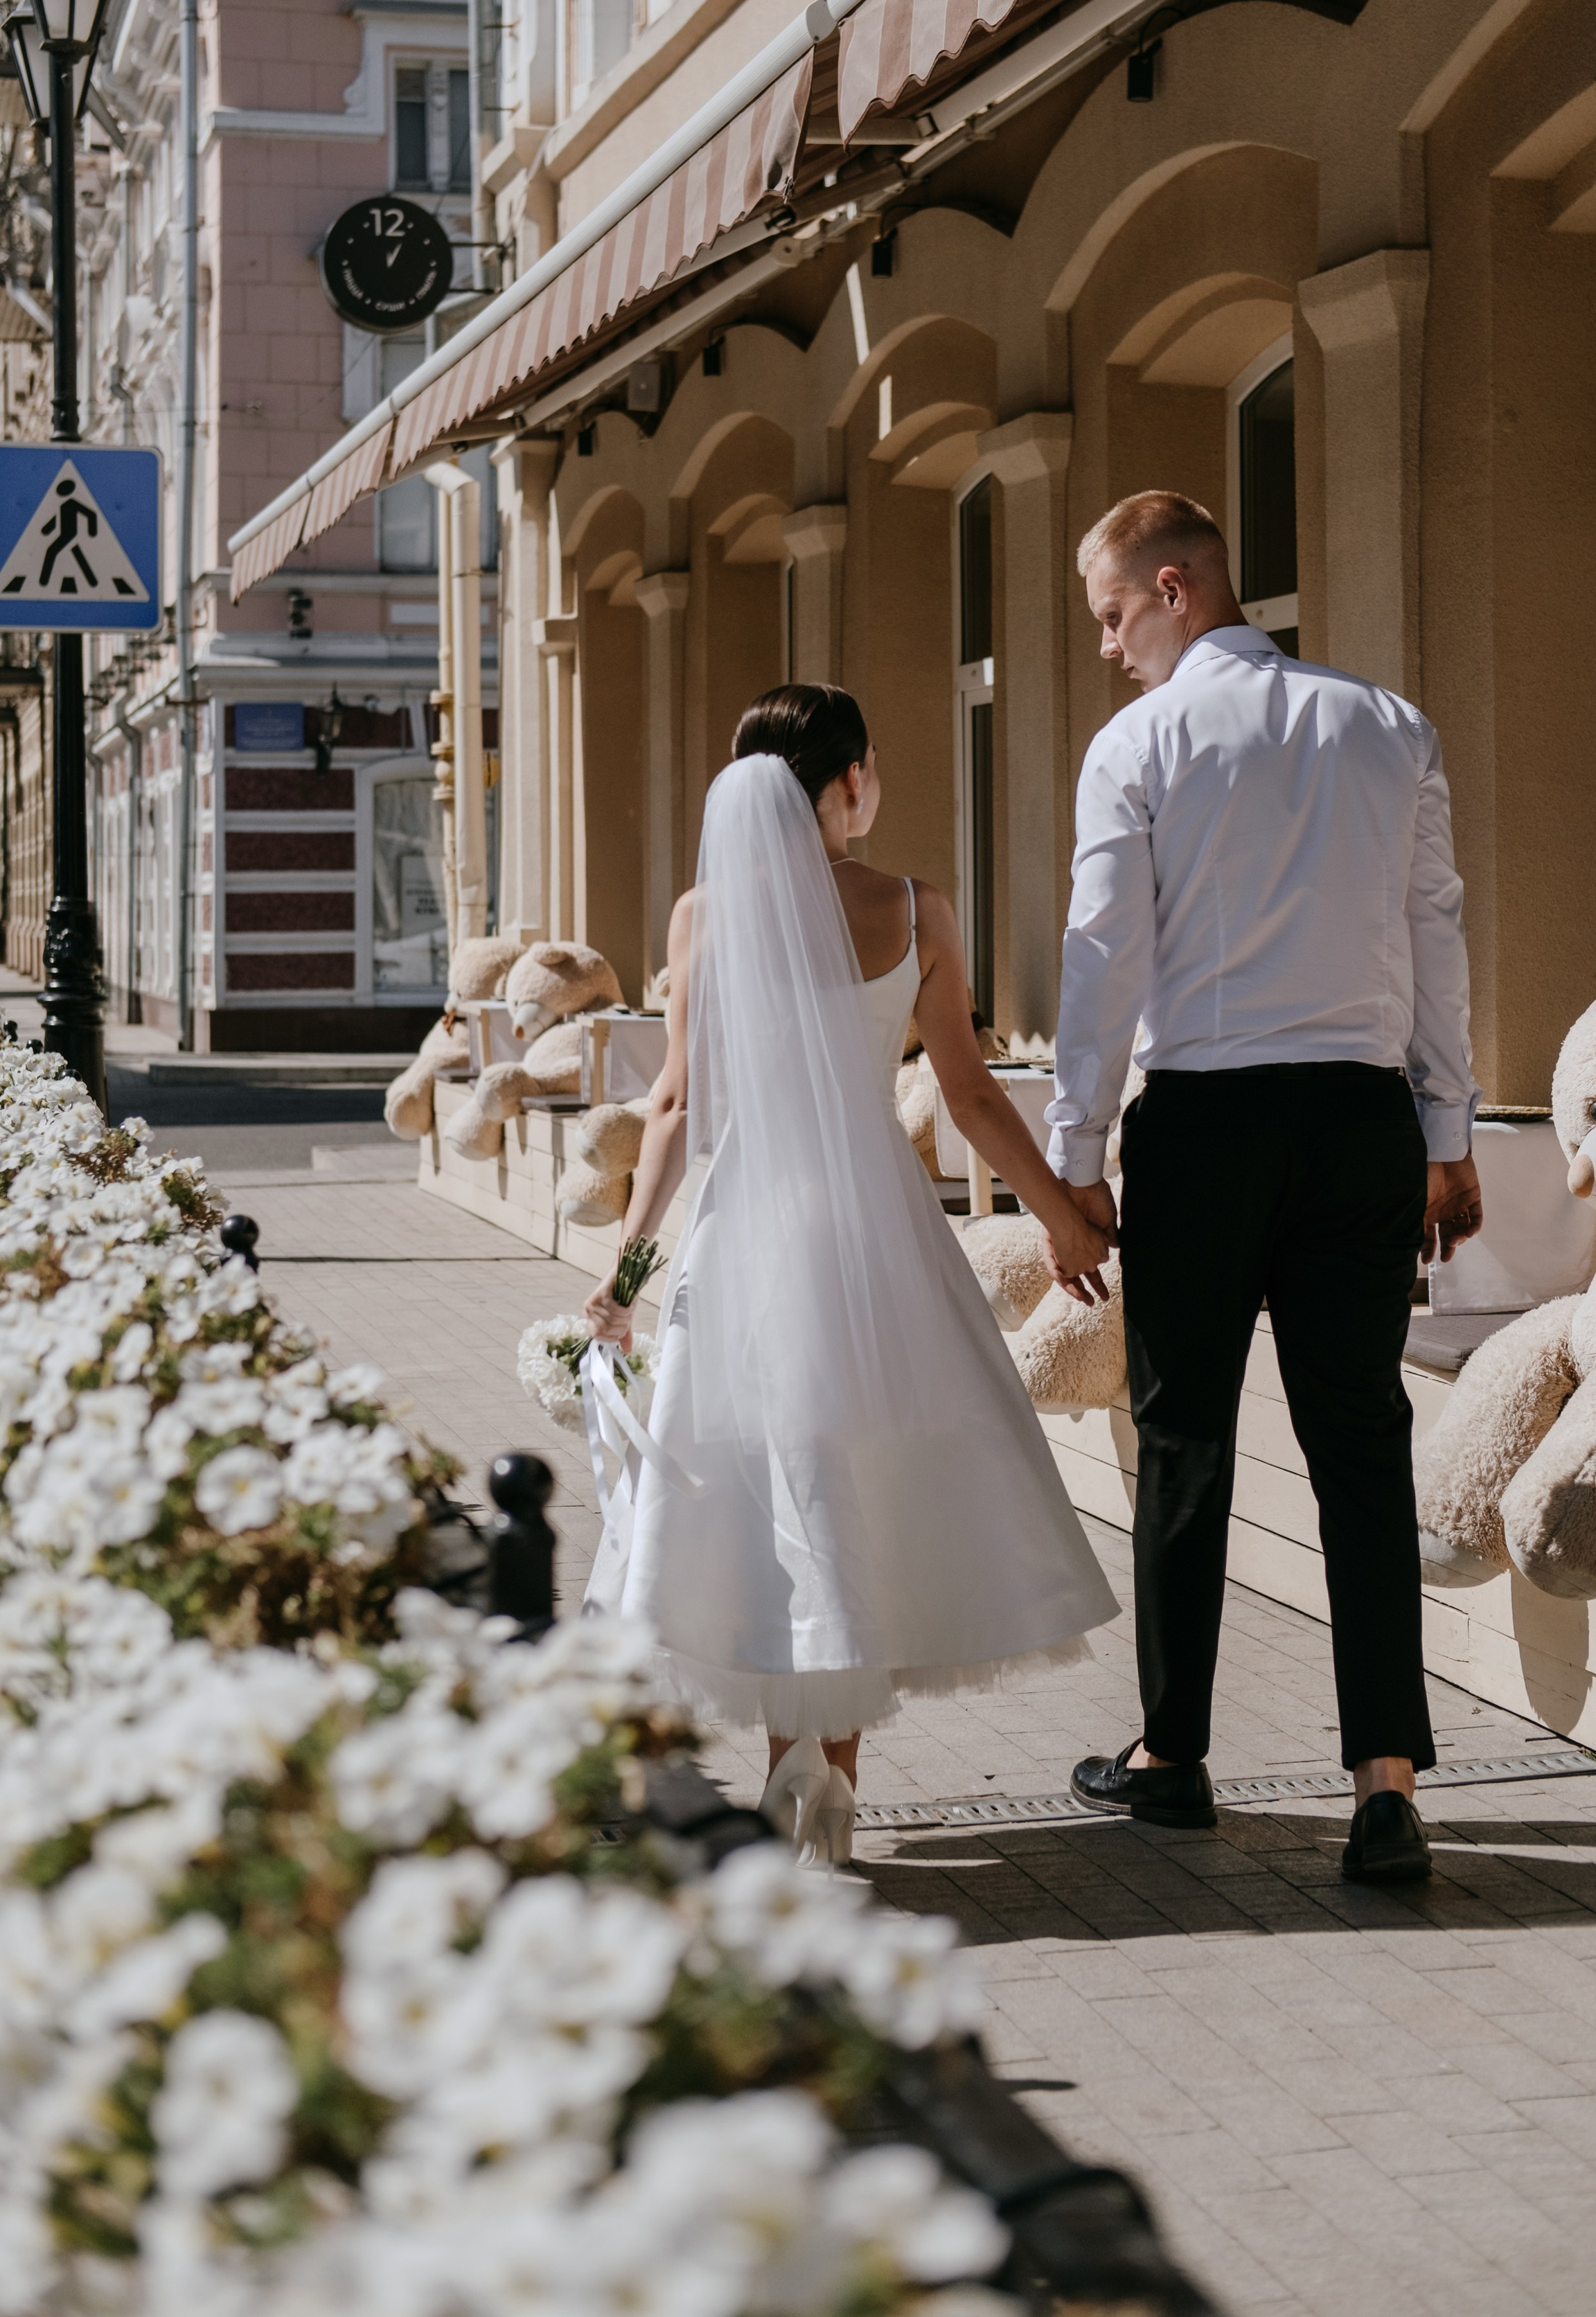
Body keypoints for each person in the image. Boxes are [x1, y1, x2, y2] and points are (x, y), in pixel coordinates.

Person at [584, 684, 1119, 1863]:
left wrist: (626, 1276)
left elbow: (674, 1107)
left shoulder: (703, 918)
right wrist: (1064, 1221)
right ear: (851, 783)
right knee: (862, 1480)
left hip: (747, 1225)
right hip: (878, 1232)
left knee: (782, 1480)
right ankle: (835, 1775)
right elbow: (969, 1096)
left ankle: (793, 1764)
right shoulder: (917, 910)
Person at [1043, 493, 1482, 1885]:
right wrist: (1448, 1127)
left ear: (1175, 588)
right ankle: (1384, 1786)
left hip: (1208, 1124)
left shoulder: (1139, 744)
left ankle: (1171, 1757)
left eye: (1114, 613)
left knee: (1184, 1435)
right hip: (1360, 1120)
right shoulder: (1389, 723)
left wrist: (1073, 1154)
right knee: (1360, 1440)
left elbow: (1101, 954)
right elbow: (1433, 931)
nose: (1107, 644)